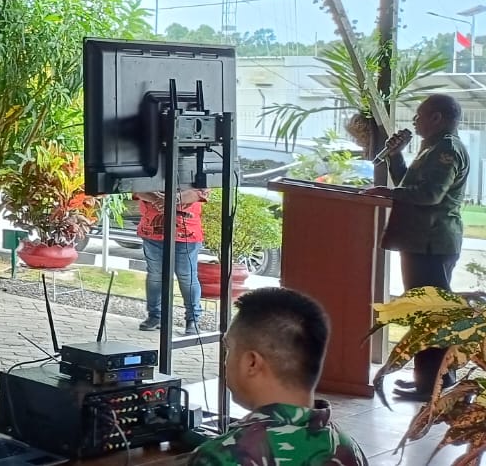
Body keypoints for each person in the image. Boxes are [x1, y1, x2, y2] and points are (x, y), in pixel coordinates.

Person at [364, 94, 471, 401]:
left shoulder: (447, 149)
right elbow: (409, 183)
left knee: (430, 315)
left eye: (420, 116)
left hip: (432, 243)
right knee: (425, 314)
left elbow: (430, 195)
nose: (415, 121)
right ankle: (434, 380)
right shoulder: (434, 147)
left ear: (437, 118)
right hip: (421, 242)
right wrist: (395, 155)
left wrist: (390, 192)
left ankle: (432, 383)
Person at [188, 288, 366, 466]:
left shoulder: (221, 457)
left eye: (229, 349)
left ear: (252, 363)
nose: (226, 361)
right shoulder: (348, 449)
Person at [134, 187, 208, 337]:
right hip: (152, 230)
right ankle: (155, 316)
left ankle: (192, 320)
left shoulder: (194, 164)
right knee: (156, 275)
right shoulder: (150, 163)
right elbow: (136, 188)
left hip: (186, 231)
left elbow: (201, 191)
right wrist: (158, 199)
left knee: (187, 277)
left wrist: (171, 200)